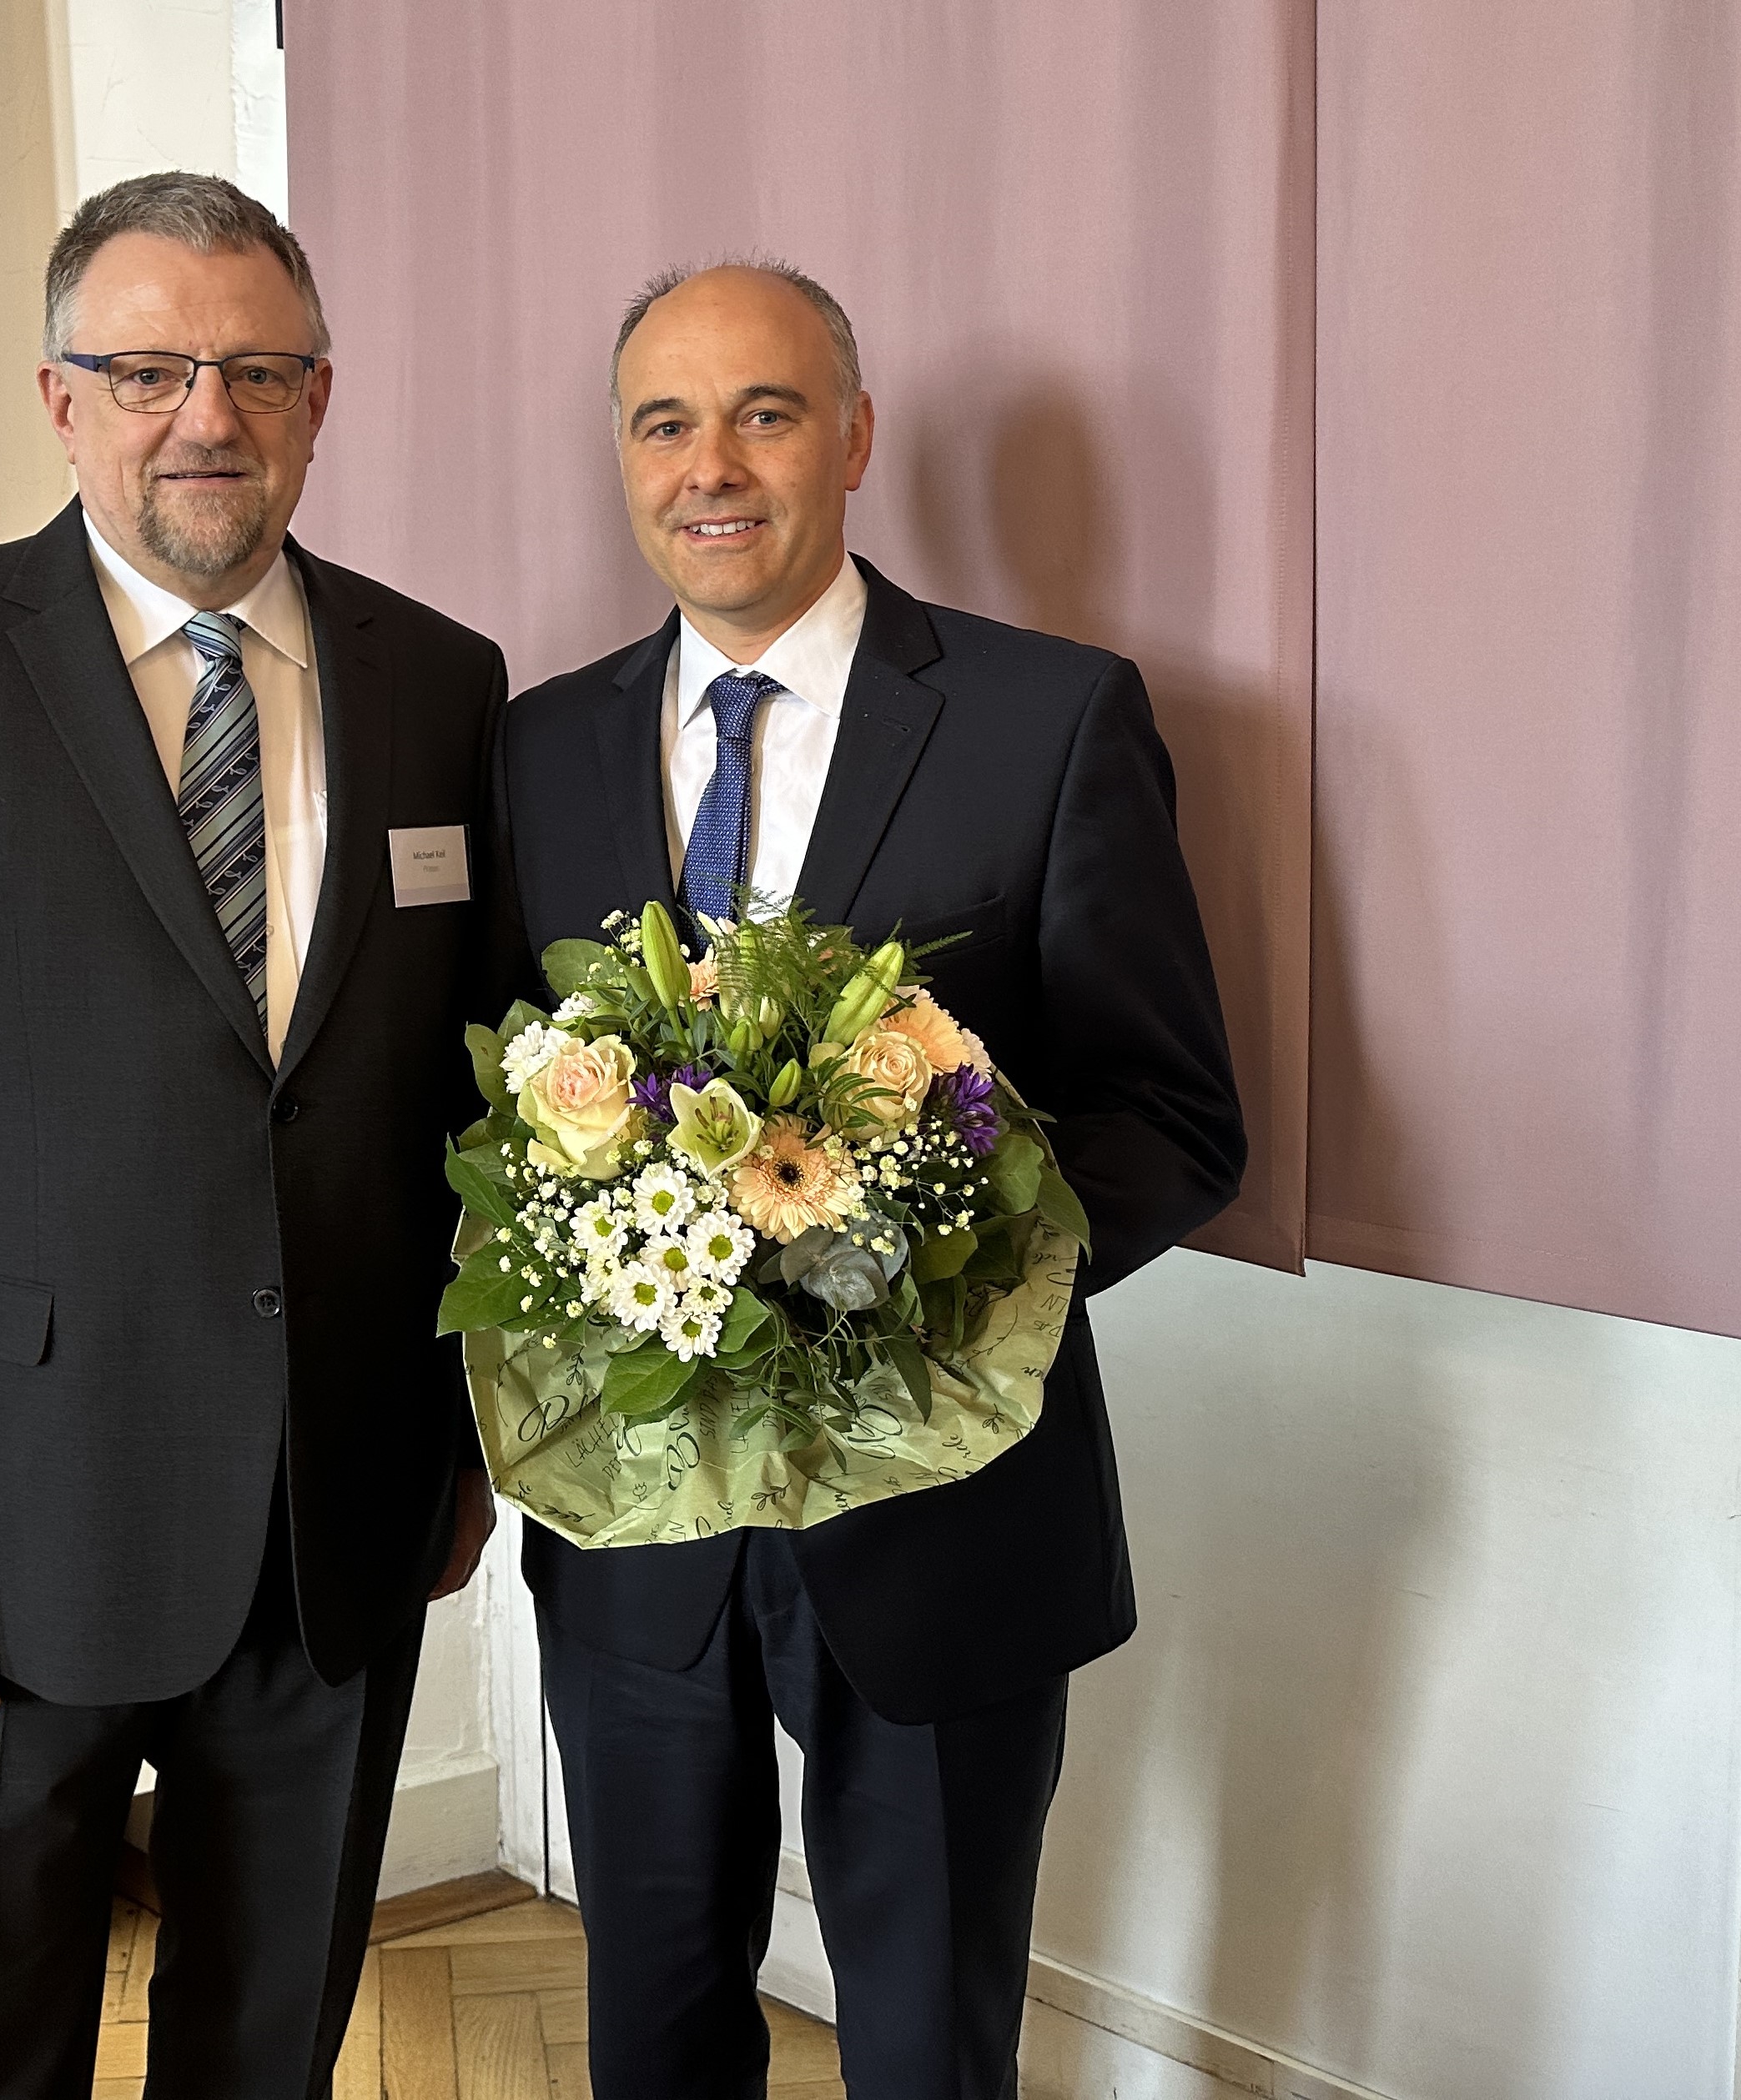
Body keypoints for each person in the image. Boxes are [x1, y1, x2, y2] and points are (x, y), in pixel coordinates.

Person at [0, 171, 503, 2100]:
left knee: (270, 2039)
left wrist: (461, 1447)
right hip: (10, 1531)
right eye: (148, 370)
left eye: (256, 371)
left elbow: (468, 1106)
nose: (204, 416)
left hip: (334, 1526)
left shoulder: (441, 683)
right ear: (61, 399)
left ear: (320, 398)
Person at [496, 262, 1245, 2098]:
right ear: (623, 457)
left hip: (945, 1523)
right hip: (635, 1541)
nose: (712, 465)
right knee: (653, 2030)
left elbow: (1174, 1116)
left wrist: (918, 1254)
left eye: (765, 413)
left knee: (925, 2044)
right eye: (665, 423)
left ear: (852, 438)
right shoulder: (533, 745)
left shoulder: (1047, 715)